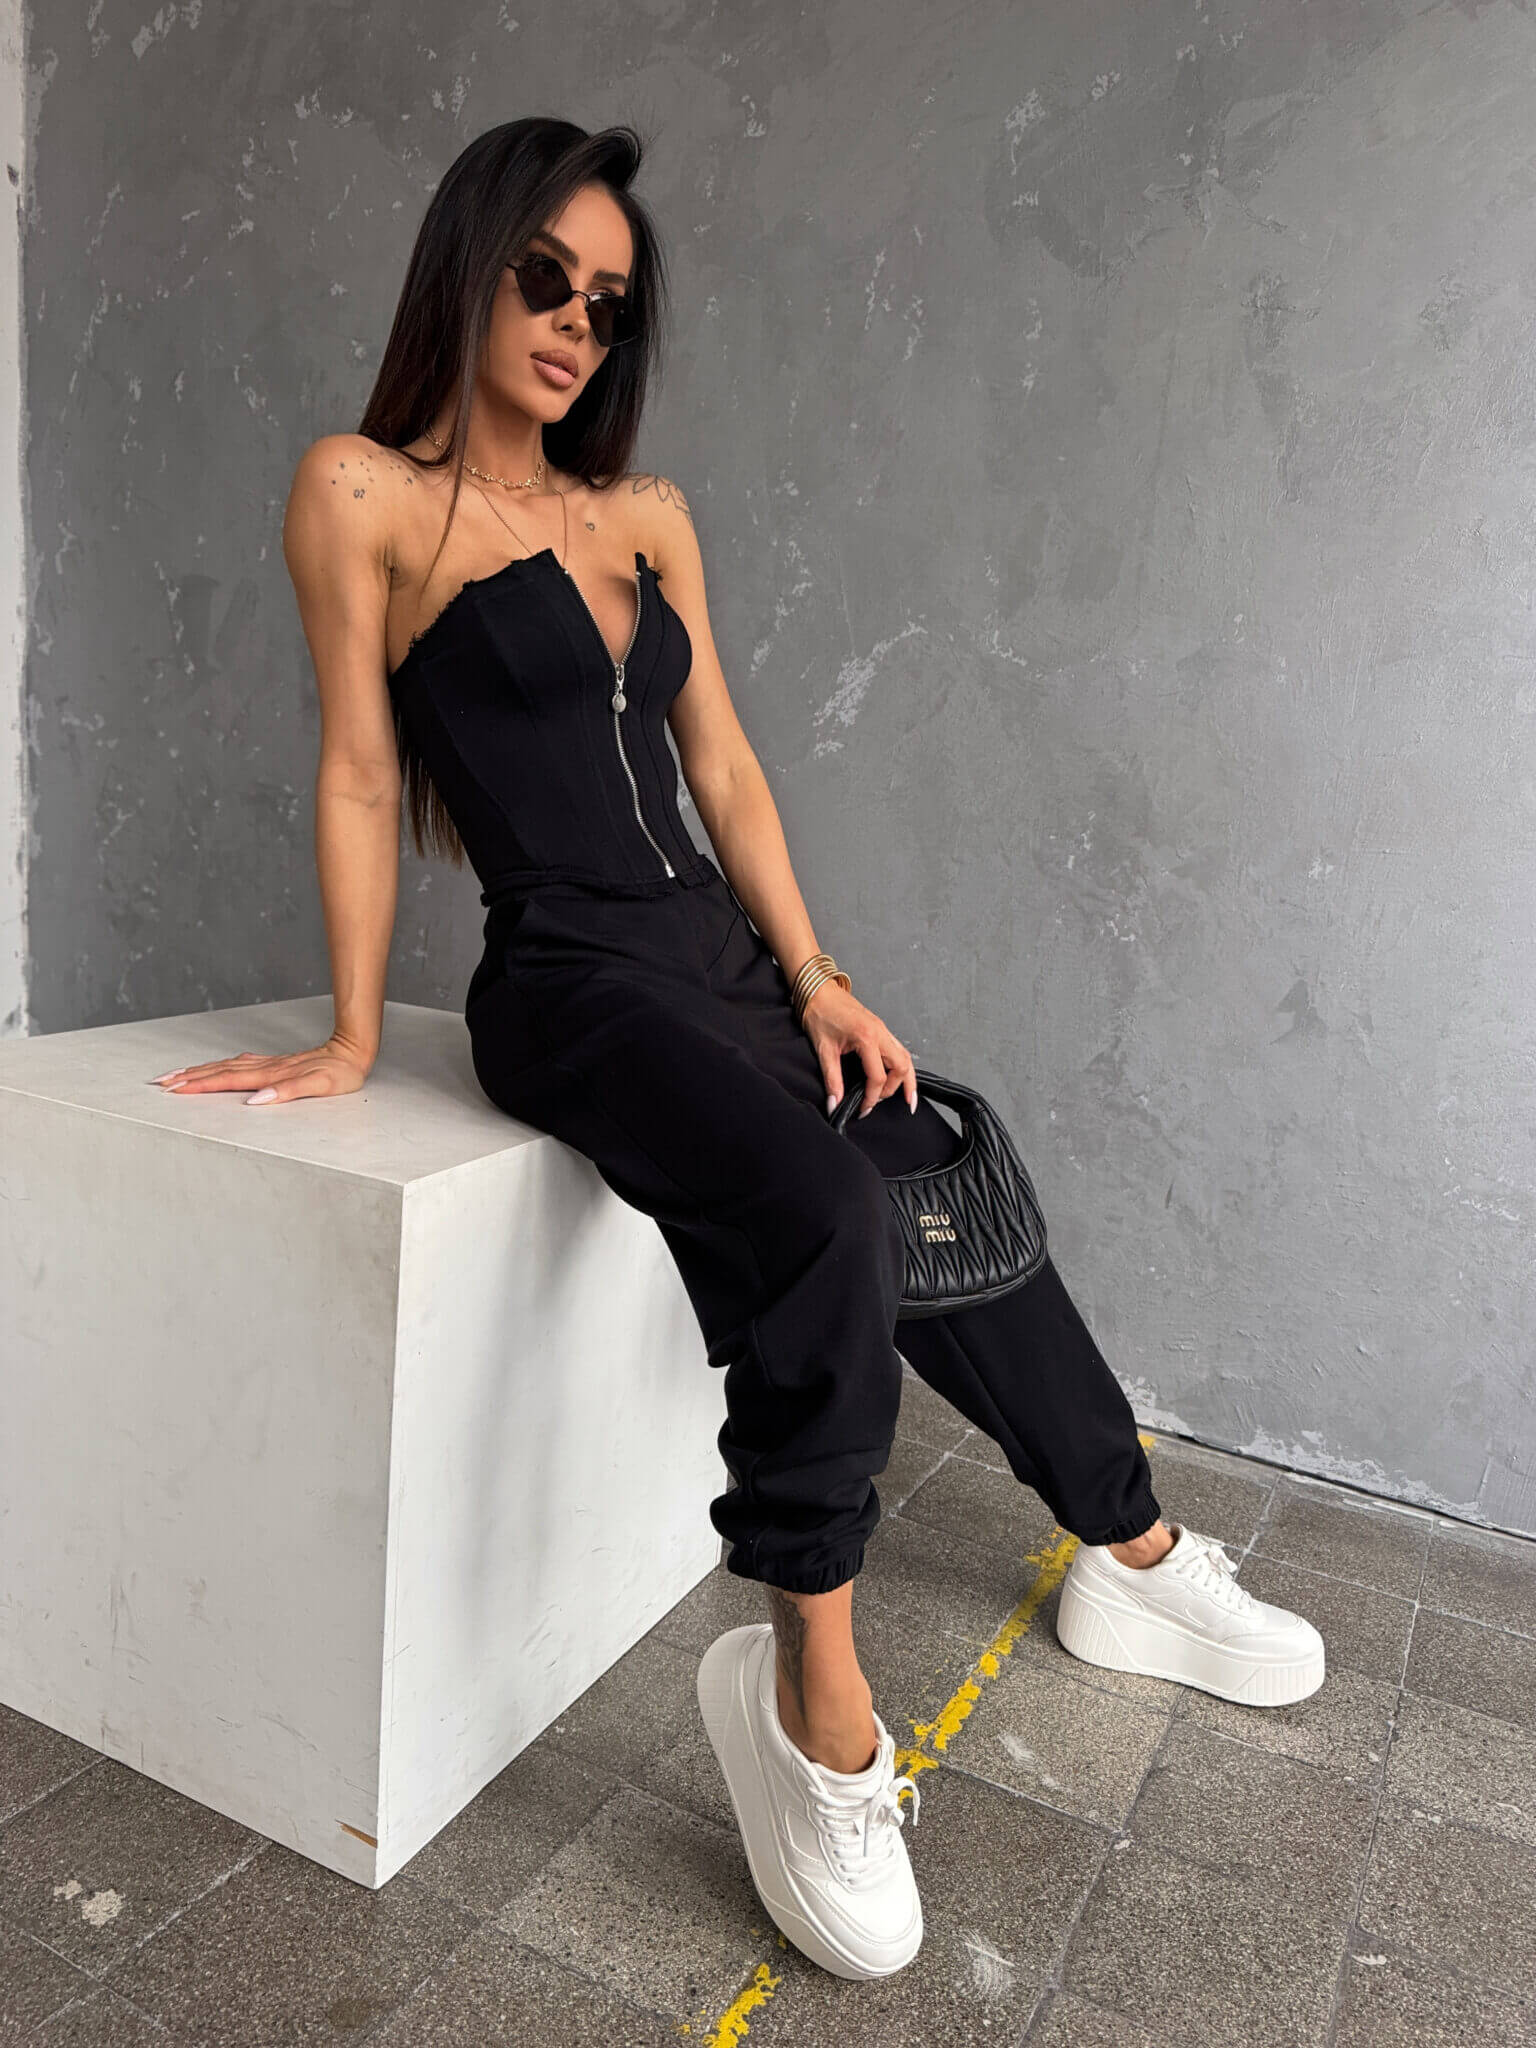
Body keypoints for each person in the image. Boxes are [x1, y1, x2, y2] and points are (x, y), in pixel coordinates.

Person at [149, 117, 1325, 1982]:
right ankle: (809, 1705)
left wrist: (819, 975)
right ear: (469, 267)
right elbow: (364, 773)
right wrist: (356, 1030)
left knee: (921, 1159)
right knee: (813, 1208)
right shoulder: (362, 494)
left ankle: (1134, 1554)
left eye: (607, 305)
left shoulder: (648, 517)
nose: (574, 323)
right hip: (571, 978)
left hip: (716, 952)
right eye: (545, 279)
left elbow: (728, 771)